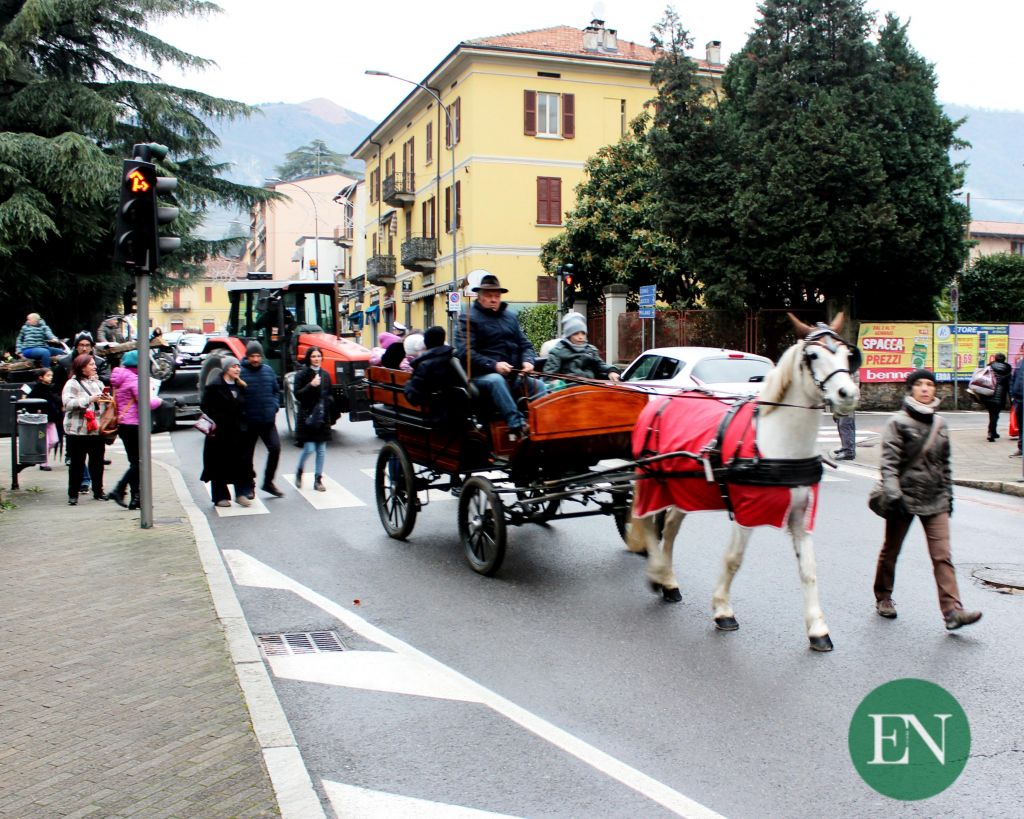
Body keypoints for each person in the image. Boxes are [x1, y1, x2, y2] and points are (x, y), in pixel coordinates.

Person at [872, 369, 982, 630]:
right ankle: (883, 596)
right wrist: (894, 495)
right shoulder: (897, 422)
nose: (924, 388)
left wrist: (949, 496)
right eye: (919, 384)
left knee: (942, 555)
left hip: (935, 499)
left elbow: (945, 464)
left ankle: (952, 611)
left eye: (929, 384)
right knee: (891, 550)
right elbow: (888, 465)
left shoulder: (940, 424)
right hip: (904, 497)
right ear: (910, 389)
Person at [454, 272, 544, 438]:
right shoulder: (468, 318)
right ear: (480, 296)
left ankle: (545, 425)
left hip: (513, 375)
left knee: (539, 386)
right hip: (480, 376)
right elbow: (465, 353)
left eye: (496, 296)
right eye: (489, 296)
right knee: (496, 380)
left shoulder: (511, 317)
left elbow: (526, 345)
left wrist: (528, 361)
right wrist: (494, 365)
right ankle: (518, 425)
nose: (494, 299)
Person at [108, 351, 163, 510]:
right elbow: (147, 402)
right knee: (141, 462)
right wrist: (160, 401)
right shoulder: (134, 380)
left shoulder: (120, 378)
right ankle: (119, 488)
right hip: (135, 425)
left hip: (124, 424)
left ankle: (135, 499)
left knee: (134, 463)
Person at [199, 356, 252, 508]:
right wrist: (218, 417)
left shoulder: (241, 386)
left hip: (238, 432)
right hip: (220, 433)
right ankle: (220, 496)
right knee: (219, 464)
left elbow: (245, 407)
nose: (237, 369)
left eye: (238, 366)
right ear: (226, 369)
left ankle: (241, 494)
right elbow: (205, 405)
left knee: (241, 463)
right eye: (234, 366)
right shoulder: (214, 386)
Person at [61, 354, 109, 505]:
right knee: (77, 464)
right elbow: (67, 403)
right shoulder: (72, 383)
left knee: (97, 463)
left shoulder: (98, 383)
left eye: (94, 364)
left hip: (96, 430)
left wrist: (107, 400)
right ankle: (73, 494)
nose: (95, 367)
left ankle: (98, 491)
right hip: (77, 431)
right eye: (91, 364)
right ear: (82, 367)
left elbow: (103, 403)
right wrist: (89, 399)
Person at [240, 341, 283, 498]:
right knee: (247, 457)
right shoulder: (240, 373)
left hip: (267, 421)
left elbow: (276, 391)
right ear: (247, 357)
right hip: (249, 422)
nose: (256, 359)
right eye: (252, 356)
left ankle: (268, 482)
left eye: (258, 356)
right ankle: (249, 486)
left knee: (275, 449)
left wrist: (274, 406)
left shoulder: (268, 370)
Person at [293, 347, 333, 492]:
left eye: (319, 356)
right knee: (309, 448)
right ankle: (299, 471)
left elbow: (329, 393)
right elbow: (298, 395)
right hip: (307, 416)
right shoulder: (302, 374)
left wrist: (328, 404)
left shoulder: (325, 375)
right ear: (309, 358)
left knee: (321, 450)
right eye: (313, 356)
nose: (316, 359)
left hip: (322, 417)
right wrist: (311, 385)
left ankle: (318, 479)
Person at [542, 312, 620, 382]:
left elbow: (601, 365)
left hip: (591, 387)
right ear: (569, 335)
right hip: (569, 389)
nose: (580, 337)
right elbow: (549, 376)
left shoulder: (591, 350)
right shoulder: (557, 352)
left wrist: (611, 371)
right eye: (576, 333)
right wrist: (556, 383)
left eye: (583, 333)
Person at [404, 326, 461, 417]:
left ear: (426, 343)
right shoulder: (456, 357)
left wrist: (408, 384)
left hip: (436, 414)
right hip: (459, 411)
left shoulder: (424, 365)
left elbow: (413, 398)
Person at [23, 368, 62, 470]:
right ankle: (44, 462)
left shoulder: (49, 388)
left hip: (51, 419)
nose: (51, 377)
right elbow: (30, 402)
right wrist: (37, 411)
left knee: (54, 440)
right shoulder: (37, 389)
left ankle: (43, 459)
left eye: (51, 375)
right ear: (41, 377)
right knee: (46, 441)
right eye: (48, 375)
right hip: (42, 419)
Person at [982, 352, 1013, 442]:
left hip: (988, 393)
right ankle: (991, 433)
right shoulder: (1007, 370)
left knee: (992, 414)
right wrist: (1011, 398)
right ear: (1004, 360)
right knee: (995, 415)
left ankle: (993, 432)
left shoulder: (989, 367)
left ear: (995, 359)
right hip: (999, 396)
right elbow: (1010, 386)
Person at [1011, 356, 1024, 457]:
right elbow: (1013, 378)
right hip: (1018, 399)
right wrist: (1012, 394)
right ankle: (1021, 448)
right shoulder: (1020, 363)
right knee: (1020, 425)